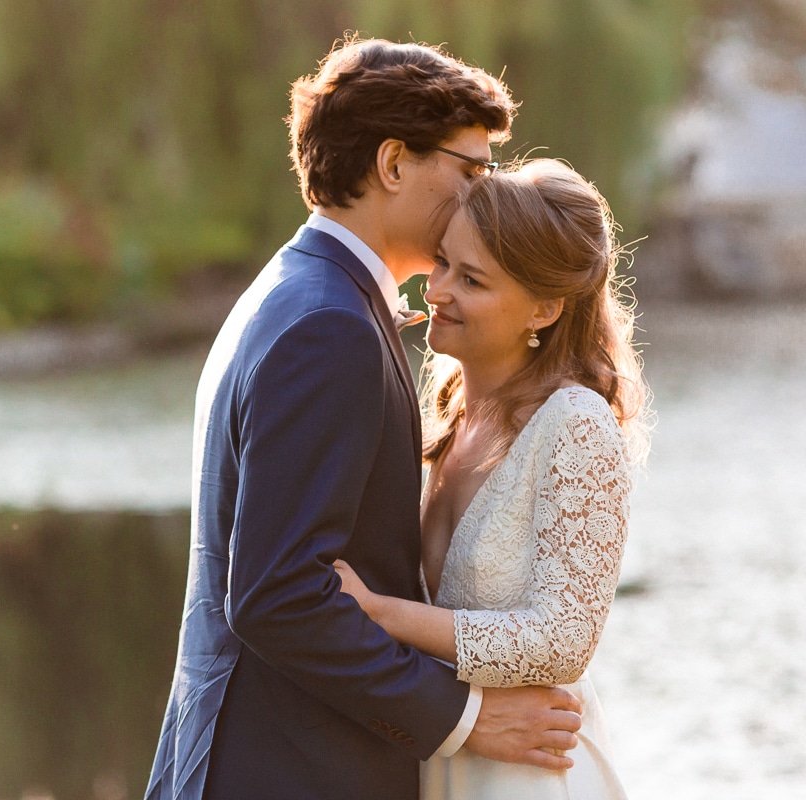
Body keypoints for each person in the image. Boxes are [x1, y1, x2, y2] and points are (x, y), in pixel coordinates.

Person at [146, 38, 584, 800]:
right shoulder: (330, 328)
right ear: (392, 165)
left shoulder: (294, 291)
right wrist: (463, 720)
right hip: (289, 771)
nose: (485, 193)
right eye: (471, 170)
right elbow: (278, 596)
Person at [335, 157, 651, 799]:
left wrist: (379, 613)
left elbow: (562, 640)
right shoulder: (448, 403)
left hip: (530, 769)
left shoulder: (575, 423)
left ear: (543, 309)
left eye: (471, 279)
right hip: (450, 753)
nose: (438, 289)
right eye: (443, 261)